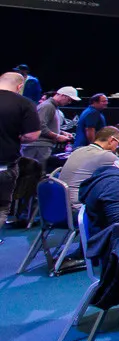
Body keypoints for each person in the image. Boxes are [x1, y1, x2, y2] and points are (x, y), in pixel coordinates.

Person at [0, 70, 40, 230]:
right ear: (19, 86)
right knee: (1, 206)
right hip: (4, 166)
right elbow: (32, 135)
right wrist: (15, 137)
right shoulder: (25, 103)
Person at [60, 126, 119, 209]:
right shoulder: (106, 155)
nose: (117, 147)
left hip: (61, 205)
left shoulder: (78, 150)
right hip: (77, 208)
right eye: (118, 143)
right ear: (112, 140)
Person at [28, 85, 78, 164]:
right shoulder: (48, 106)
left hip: (41, 146)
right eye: (69, 99)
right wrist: (57, 136)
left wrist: (61, 132)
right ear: (62, 95)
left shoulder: (53, 107)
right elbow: (39, 126)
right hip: (37, 146)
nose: (69, 102)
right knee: (34, 170)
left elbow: (46, 126)